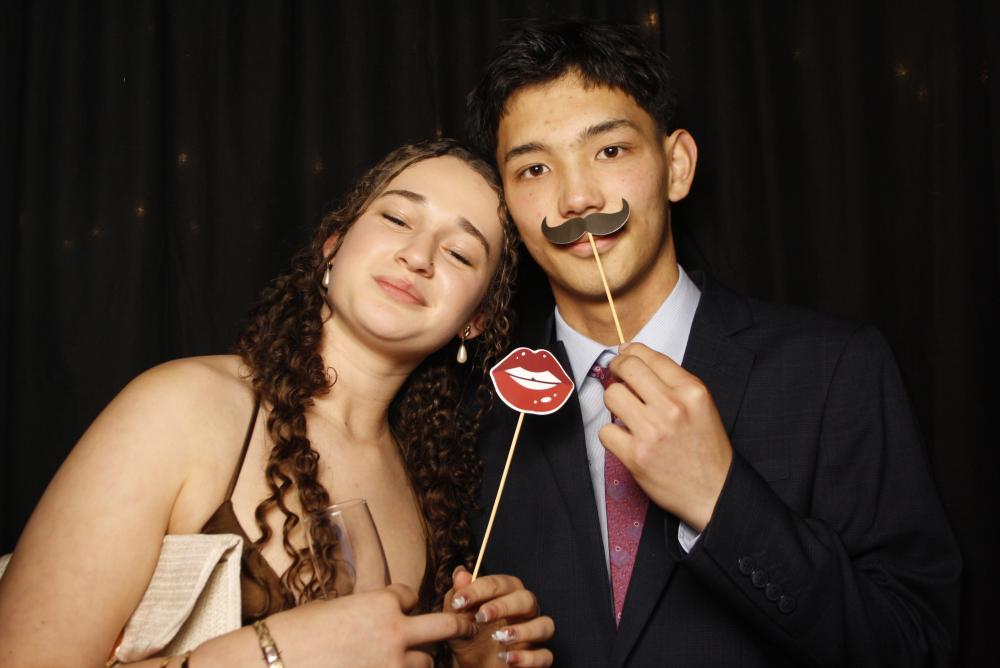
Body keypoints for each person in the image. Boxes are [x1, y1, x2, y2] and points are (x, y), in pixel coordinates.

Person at [464, 19, 960, 667]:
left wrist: (720, 499)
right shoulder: (475, 414)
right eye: (534, 168)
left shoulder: (835, 370)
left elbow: (914, 644)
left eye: (610, 150)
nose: (577, 197)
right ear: (506, 204)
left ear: (676, 166)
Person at [0, 139, 554, 667]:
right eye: (396, 219)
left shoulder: (433, 494)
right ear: (333, 243)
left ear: (476, 320)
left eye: (459, 253)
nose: (417, 256)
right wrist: (266, 656)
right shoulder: (180, 408)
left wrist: (470, 658)